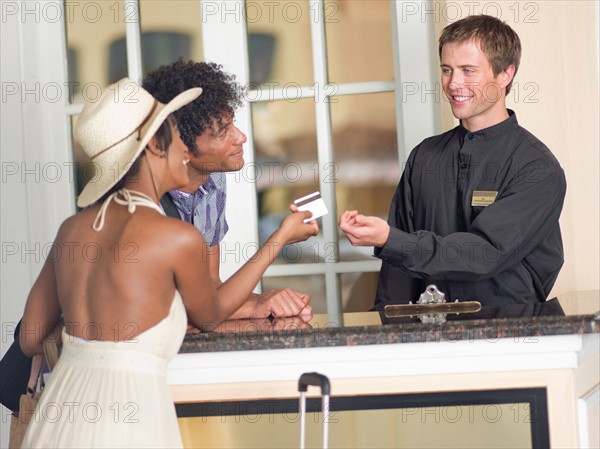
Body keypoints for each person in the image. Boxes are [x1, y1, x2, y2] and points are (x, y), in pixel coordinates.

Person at [19, 78, 318, 448]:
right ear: (155, 147)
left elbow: (30, 337)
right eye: (176, 135)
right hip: (131, 424)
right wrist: (280, 239)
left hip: (57, 421)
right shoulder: (175, 238)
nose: (184, 149)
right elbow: (209, 314)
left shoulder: (72, 229)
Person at [339, 15, 566, 308]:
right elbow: (396, 274)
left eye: (468, 70)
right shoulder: (425, 156)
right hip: (429, 337)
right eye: (447, 69)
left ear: (505, 74)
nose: (453, 83)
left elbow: (484, 254)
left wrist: (389, 239)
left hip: (510, 340)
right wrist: (385, 327)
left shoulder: (537, 168)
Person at [143, 59, 312, 320]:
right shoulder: (145, 207)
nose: (241, 137)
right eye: (223, 132)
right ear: (182, 146)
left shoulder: (213, 181)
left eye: (232, 123)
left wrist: (266, 300)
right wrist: (280, 239)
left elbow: (210, 289)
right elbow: (184, 311)